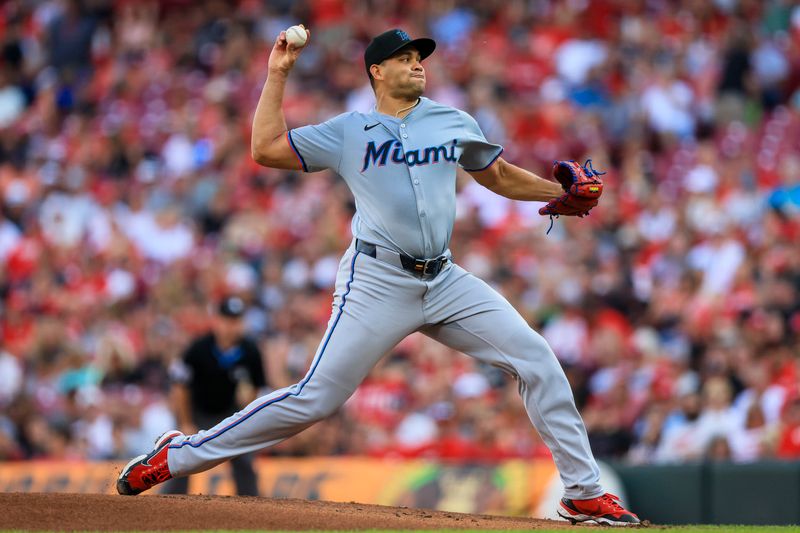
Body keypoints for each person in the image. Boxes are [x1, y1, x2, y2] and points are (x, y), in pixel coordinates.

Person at [117, 27, 639, 526]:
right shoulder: (349, 131)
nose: (418, 64)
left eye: (421, 58)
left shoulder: (452, 120)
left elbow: (497, 175)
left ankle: (583, 494)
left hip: (445, 279)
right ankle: (180, 456)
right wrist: (277, 74)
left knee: (536, 358)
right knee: (314, 398)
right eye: (406, 58)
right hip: (377, 281)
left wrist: (557, 194)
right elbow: (266, 149)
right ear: (377, 72)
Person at [165, 296, 266, 496]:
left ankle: (252, 505)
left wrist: (245, 414)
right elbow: (180, 387)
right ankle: (169, 502)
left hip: (227, 412)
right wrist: (185, 421)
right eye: (228, 320)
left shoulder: (250, 351)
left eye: (236, 320)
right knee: (182, 458)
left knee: (244, 457)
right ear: (217, 320)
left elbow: (257, 387)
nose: (232, 326)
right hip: (196, 411)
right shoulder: (199, 348)